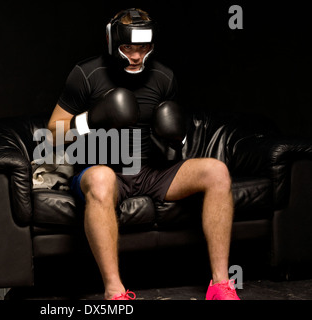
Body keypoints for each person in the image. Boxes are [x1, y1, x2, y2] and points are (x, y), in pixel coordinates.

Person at [47, 8, 240, 300]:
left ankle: (221, 285)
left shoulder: (163, 77)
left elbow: (174, 138)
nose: (136, 57)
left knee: (217, 171)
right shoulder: (86, 73)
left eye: (143, 48)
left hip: (151, 171)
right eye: (128, 48)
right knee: (101, 177)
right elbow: (52, 132)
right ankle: (115, 292)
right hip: (102, 170)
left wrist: (177, 134)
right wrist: (90, 120)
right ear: (113, 43)